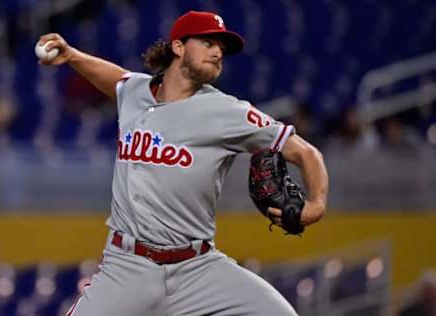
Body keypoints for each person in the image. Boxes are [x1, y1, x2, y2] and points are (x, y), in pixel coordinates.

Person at [38, 10, 328, 316]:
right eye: (207, 42)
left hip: (197, 268)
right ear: (178, 47)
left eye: (221, 48)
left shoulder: (227, 111)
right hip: (126, 267)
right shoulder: (136, 92)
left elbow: (307, 153)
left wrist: (317, 203)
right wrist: (71, 56)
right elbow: (116, 79)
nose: (217, 52)